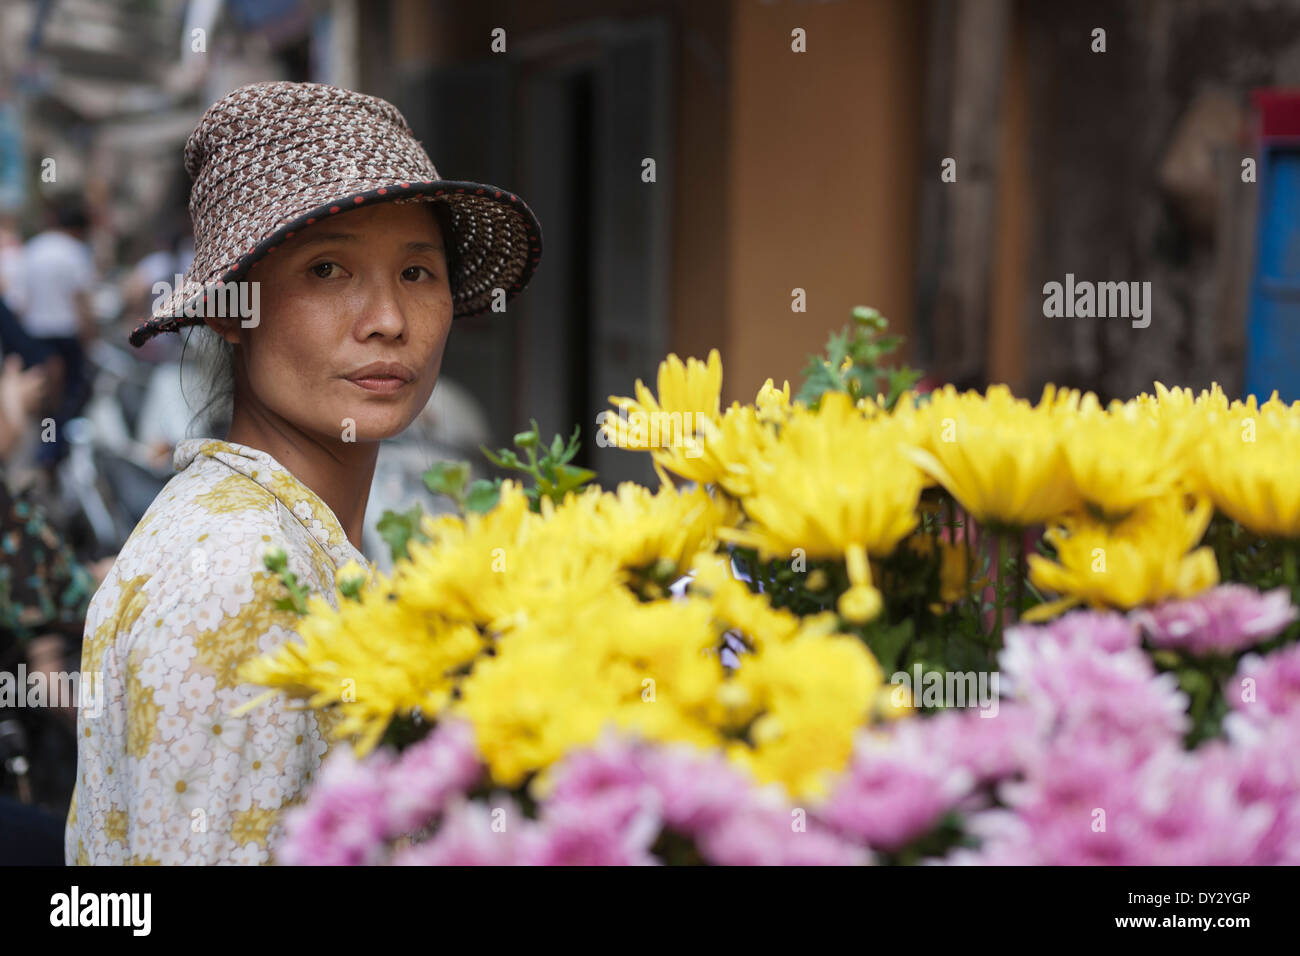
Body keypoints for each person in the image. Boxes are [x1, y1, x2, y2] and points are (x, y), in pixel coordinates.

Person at [65, 81, 543, 865]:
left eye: (418, 273)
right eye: (328, 271)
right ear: (232, 309)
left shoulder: (285, 535)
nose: (388, 318)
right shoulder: (237, 576)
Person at [9, 198, 98, 469]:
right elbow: (82, 303)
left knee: (42, 400)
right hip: (65, 337)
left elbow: (19, 303)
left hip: (35, 337)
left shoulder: (32, 250)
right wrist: (90, 339)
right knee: (68, 398)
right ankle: (54, 454)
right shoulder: (75, 251)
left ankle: (43, 452)